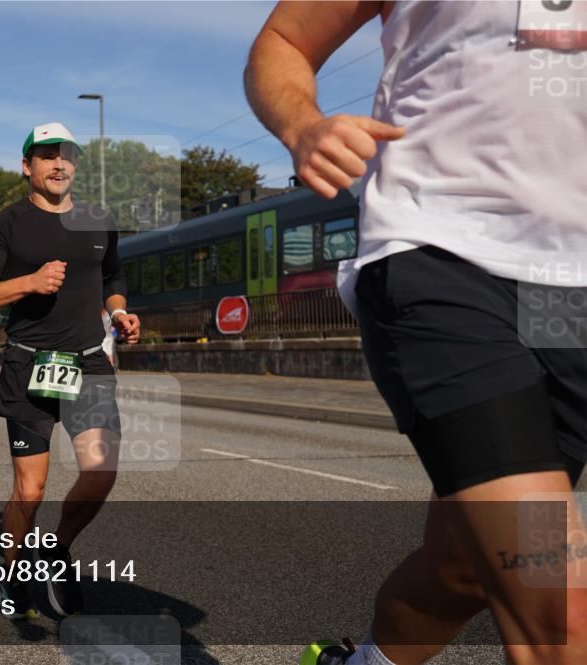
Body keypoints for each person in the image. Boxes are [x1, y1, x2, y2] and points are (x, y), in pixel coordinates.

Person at [245, 3, 586, 664]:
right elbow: (284, 40)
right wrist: (304, 125)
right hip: (443, 253)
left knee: (461, 567)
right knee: (558, 602)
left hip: (568, 293)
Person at [0, 122, 141, 618]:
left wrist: (120, 311)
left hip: (88, 360)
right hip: (29, 363)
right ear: (28, 167)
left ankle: (55, 550)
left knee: (101, 471)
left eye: (67, 155)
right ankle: (8, 563)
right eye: (46, 156)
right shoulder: (8, 224)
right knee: (31, 490)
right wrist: (29, 282)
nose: (59, 164)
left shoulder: (98, 220)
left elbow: (113, 275)